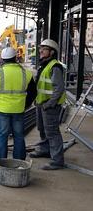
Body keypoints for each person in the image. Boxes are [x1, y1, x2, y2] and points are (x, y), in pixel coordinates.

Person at [0, 47, 36, 160]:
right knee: (19, 136)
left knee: (2, 136)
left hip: (1, 110)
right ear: (15, 58)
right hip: (18, 110)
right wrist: (25, 105)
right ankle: (18, 161)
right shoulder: (26, 73)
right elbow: (33, 92)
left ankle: (1, 160)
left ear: (2, 59)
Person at [29, 39, 66, 170]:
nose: (40, 51)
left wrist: (50, 103)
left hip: (50, 106)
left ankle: (57, 160)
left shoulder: (55, 66)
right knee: (42, 129)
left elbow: (59, 88)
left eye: (44, 49)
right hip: (41, 103)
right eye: (41, 49)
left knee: (52, 132)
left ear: (51, 52)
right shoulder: (44, 65)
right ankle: (45, 150)